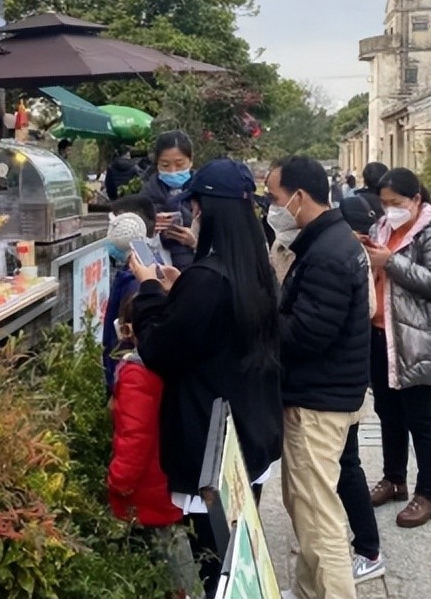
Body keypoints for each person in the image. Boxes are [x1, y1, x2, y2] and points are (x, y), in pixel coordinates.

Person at [130, 159, 283, 598]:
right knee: (239, 549)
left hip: (209, 448)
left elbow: (160, 350)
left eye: (195, 205)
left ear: (207, 210)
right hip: (253, 434)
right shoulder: (256, 269)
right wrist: (181, 291)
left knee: (216, 561)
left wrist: (151, 292)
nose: (192, 212)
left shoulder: (207, 279)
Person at [266, 156, 374, 598]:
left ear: (299, 197)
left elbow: (307, 335)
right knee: (304, 506)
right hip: (326, 391)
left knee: (318, 515)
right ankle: (308, 590)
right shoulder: (325, 239)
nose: (272, 207)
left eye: (275, 198)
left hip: (319, 399)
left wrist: (261, 316)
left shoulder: (328, 251)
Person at [364, 167, 431, 529]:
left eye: (397, 203)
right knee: (388, 412)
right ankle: (394, 479)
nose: (390, 210)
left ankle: (428, 494)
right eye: (384, 203)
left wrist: (390, 261)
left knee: (420, 419)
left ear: (417, 199)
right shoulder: (383, 228)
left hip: (419, 339)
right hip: (380, 334)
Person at [106, 295, 193, 594]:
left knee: (167, 562)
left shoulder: (136, 374)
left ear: (129, 329)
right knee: (173, 555)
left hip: (146, 491)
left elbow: (135, 436)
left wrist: (118, 481)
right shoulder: (172, 360)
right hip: (170, 481)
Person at [102, 204, 155, 395]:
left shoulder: (136, 281)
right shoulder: (148, 262)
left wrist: (113, 382)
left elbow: (124, 340)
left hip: (130, 379)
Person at [139, 130, 198, 269]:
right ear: (157, 164)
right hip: (158, 274)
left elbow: (225, 245)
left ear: (191, 161)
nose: (172, 171)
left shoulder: (206, 194)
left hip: (198, 275)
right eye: (165, 165)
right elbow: (133, 246)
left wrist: (195, 242)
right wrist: (147, 229)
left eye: (179, 164)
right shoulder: (145, 197)